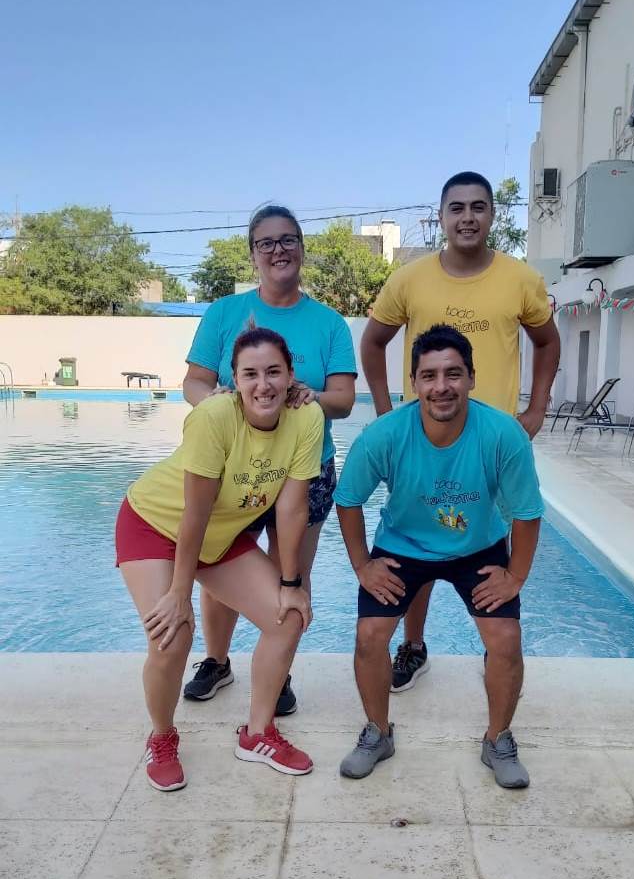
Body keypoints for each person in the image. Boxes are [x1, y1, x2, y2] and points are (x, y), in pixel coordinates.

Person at [361, 171, 559, 692]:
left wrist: (537, 408)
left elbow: (547, 340)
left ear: (493, 214)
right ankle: (413, 645)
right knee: (419, 536)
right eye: (457, 208)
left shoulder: (520, 279)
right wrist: (385, 414)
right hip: (425, 439)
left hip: (493, 445)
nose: (467, 217)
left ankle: (496, 647)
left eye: (478, 207)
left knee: (493, 539)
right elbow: (374, 341)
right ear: (442, 216)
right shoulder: (410, 279)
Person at [116, 326, 324, 790]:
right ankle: (162, 737)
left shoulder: (307, 418)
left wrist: (292, 584)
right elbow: (195, 512)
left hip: (219, 536)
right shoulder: (213, 417)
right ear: (234, 380)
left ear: (291, 375)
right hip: (154, 524)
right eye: (250, 374)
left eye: (273, 372)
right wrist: (179, 593)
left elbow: (292, 508)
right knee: (172, 636)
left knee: (288, 617)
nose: (263, 384)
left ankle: (258, 734)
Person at [335, 325, 543, 787]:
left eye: (453, 373)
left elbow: (528, 513)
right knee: (370, 635)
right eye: (429, 376)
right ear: (414, 383)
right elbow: (347, 500)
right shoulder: (384, 435)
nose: (441, 386)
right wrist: (362, 565)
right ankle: (377, 733)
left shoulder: (503, 435)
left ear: (471, 377)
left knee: (505, 640)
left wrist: (515, 576)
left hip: (478, 547)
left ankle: (498, 739)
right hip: (403, 546)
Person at [182, 204, 356, 712]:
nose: (278, 250)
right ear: (253, 253)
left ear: (301, 247)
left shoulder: (329, 323)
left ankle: (278, 673)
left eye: (288, 240)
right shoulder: (223, 313)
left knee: (290, 571)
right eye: (266, 242)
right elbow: (193, 382)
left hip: (304, 467)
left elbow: (344, 400)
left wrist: (306, 397)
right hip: (235, 467)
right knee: (219, 563)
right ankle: (217, 661)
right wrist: (218, 404)